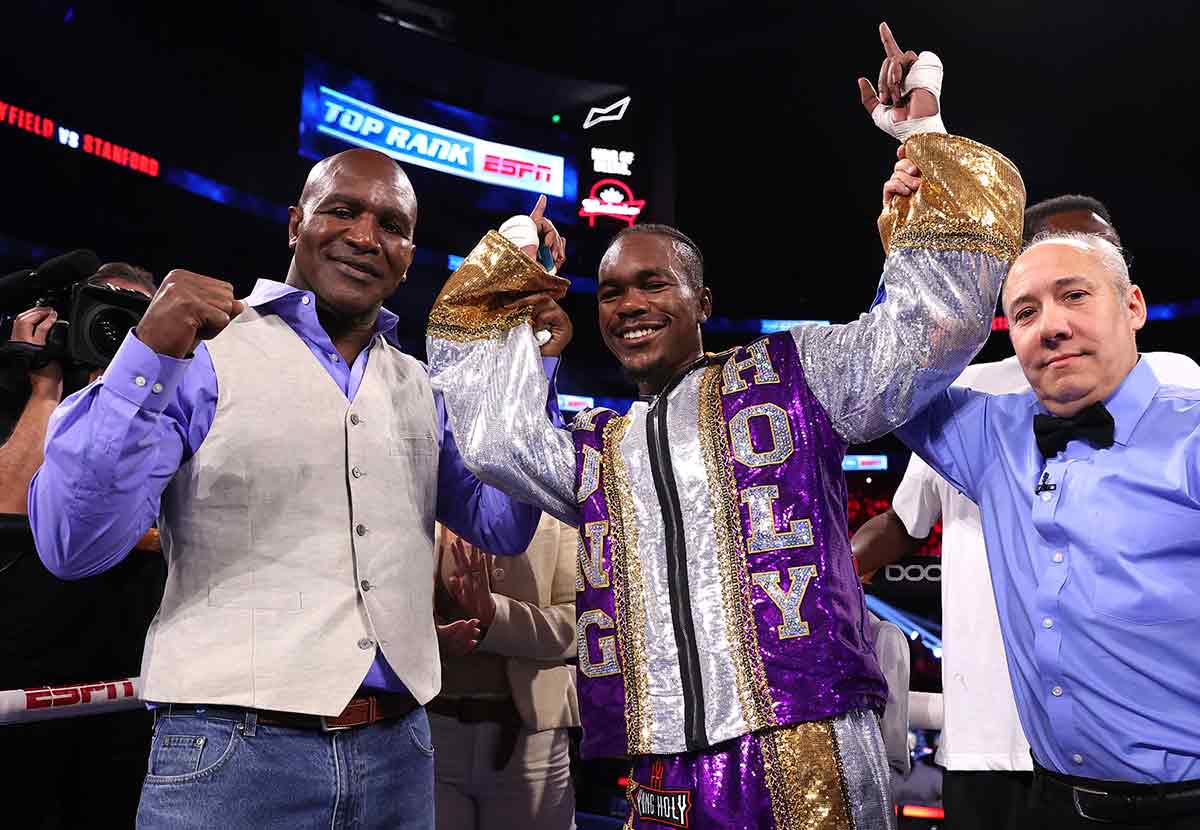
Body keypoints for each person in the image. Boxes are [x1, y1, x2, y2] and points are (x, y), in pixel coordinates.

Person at [425, 24, 1026, 828]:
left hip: (806, 737)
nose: (630, 305)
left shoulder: (796, 373)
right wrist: (506, 268)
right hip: (664, 756)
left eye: (653, 284)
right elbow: (495, 441)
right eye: (609, 293)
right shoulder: (603, 446)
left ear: (701, 303)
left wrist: (924, 130)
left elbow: (932, 326)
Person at [28, 149, 553, 830]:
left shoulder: (423, 385)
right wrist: (149, 353)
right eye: (342, 210)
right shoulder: (200, 353)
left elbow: (500, 524)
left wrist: (527, 370)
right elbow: (75, 546)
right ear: (294, 223)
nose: (365, 236)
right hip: (231, 758)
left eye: (391, 225)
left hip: (400, 753)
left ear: (409, 253)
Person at [852, 198, 1200, 830]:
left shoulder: (1192, 432)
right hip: (1049, 800)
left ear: (1133, 307)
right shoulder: (989, 433)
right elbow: (883, 373)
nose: (1052, 326)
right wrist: (911, 240)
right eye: (1026, 312)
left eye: (1075, 296)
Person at [0, 262, 165, 830]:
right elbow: (7, 507)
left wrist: (128, 393)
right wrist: (43, 386)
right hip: (22, 687)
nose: (115, 329)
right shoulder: (17, 390)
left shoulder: (172, 411)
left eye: (137, 316)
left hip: (127, 701)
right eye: (104, 307)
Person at [430, 518, 579, 830]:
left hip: (530, 739)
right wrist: (433, 639)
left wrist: (496, 615)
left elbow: (578, 625)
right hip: (430, 735)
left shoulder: (551, 504)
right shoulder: (425, 492)